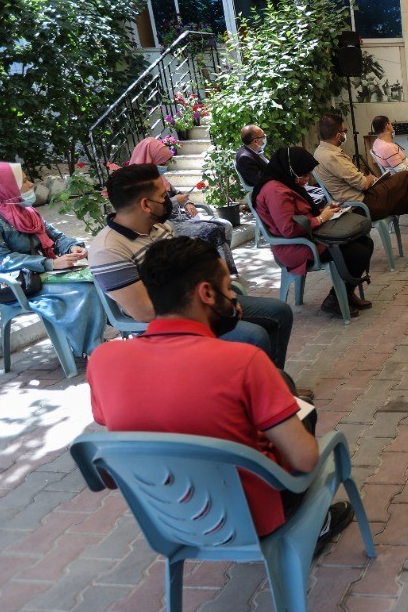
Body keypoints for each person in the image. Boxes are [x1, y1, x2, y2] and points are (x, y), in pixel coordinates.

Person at [87, 236, 353, 550]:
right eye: (228, 288)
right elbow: (305, 461)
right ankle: (315, 526)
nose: (234, 297)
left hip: (169, 520)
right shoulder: (244, 361)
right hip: (249, 520)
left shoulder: (102, 360)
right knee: (302, 411)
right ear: (207, 293)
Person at [90, 164, 297, 372]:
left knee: (280, 312)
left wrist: (221, 296)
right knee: (253, 335)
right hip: (169, 322)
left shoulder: (162, 227)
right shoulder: (108, 250)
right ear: (146, 205)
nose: (168, 200)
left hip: (199, 299)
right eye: (163, 196)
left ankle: (272, 380)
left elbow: (189, 269)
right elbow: (144, 312)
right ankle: (251, 387)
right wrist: (213, 309)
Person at [0, 162, 105, 360]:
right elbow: (1, 261)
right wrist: (50, 264)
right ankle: (92, 349)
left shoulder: (28, 213)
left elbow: (56, 237)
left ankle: (94, 341)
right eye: (23, 181)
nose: (31, 184)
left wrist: (72, 247)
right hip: (18, 285)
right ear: (3, 188)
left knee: (99, 277)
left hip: (43, 275)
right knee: (83, 290)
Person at [313, 114, 408, 259]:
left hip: (365, 197)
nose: (345, 135)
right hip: (362, 204)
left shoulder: (321, 151)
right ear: (338, 135)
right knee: (405, 176)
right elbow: (362, 184)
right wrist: (369, 178)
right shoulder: (332, 157)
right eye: (344, 131)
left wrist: (371, 179)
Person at [253, 147, 375, 318]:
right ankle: (334, 299)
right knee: (358, 253)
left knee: (366, 242)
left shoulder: (286, 182)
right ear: (291, 170)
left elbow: (302, 213)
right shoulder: (275, 191)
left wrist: (326, 211)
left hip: (310, 236)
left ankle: (346, 293)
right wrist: (321, 219)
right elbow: (288, 229)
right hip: (297, 246)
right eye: (304, 175)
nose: (307, 179)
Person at [125, 137, 237, 276]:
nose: (165, 166)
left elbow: (177, 193)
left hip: (180, 218)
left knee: (225, 225)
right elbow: (149, 210)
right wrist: (175, 201)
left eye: (166, 162)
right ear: (151, 160)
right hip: (163, 224)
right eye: (162, 163)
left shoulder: (160, 179)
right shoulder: (138, 184)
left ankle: (226, 270)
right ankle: (216, 274)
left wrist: (188, 203)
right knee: (211, 230)